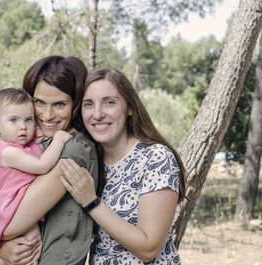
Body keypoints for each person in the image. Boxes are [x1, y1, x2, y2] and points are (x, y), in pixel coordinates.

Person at [58, 67, 187, 264]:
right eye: (88, 104)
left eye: (109, 102)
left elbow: (148, 248)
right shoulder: (90, 162)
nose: (98, 114)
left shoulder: (155, 158)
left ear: (129, 107)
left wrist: (91, 202)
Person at [0, 56, 105, 265]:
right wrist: (4, 249)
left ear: (75, 104)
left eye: (59, 104)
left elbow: (8, 225)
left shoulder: (72, 149)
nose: (47, 115)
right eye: (39, 102)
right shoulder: (44, 143)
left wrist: (0, 243)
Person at [0, 88, 73, 265]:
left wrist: (38, 142)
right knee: (29, 246)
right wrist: (58, 140)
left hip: (20, 205)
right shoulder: (7, 151)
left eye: (29, 120)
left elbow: (36, 157)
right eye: (13, 120)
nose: (23, 126)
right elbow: (42, 166)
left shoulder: (23, 147)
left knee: (29, 245)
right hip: (11, 208)